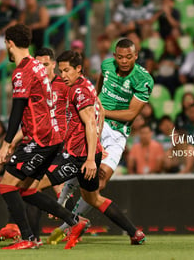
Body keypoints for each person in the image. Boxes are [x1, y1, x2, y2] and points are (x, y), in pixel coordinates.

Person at [48, 38, 153, 244]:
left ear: (136, 56)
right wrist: (91, 106)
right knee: (81, 163)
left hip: (117, 134)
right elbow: (96, 90)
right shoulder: (106, 65)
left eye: (129, 57)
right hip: (96, 123)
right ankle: (70, 218)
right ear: (114, 56)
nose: (124, 61)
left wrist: (101, 110)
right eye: (120, 57)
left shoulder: (144, 79)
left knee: (100, 180)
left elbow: (131, 114)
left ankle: (70, 223)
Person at [0, 24, 86, 250]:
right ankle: (74, 222)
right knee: (27, 190)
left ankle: (27, 238)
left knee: (6, 186)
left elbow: (17, 110)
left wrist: (6, 145)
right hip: (52, 137)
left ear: (9, 43)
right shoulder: (38, 66)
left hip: (40, 139)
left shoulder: (22, 71)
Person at [0, 47, 70, 244]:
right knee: (27, 188)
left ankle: (31, 233)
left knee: (23, 186)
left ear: (53, 65)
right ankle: (30, 233)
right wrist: (14, 140)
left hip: (57, 143)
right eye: (39, 64)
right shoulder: (38, 85)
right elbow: (33, 122)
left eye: (45, 65)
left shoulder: (63, 86)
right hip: (38, 140)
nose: (41, 68)